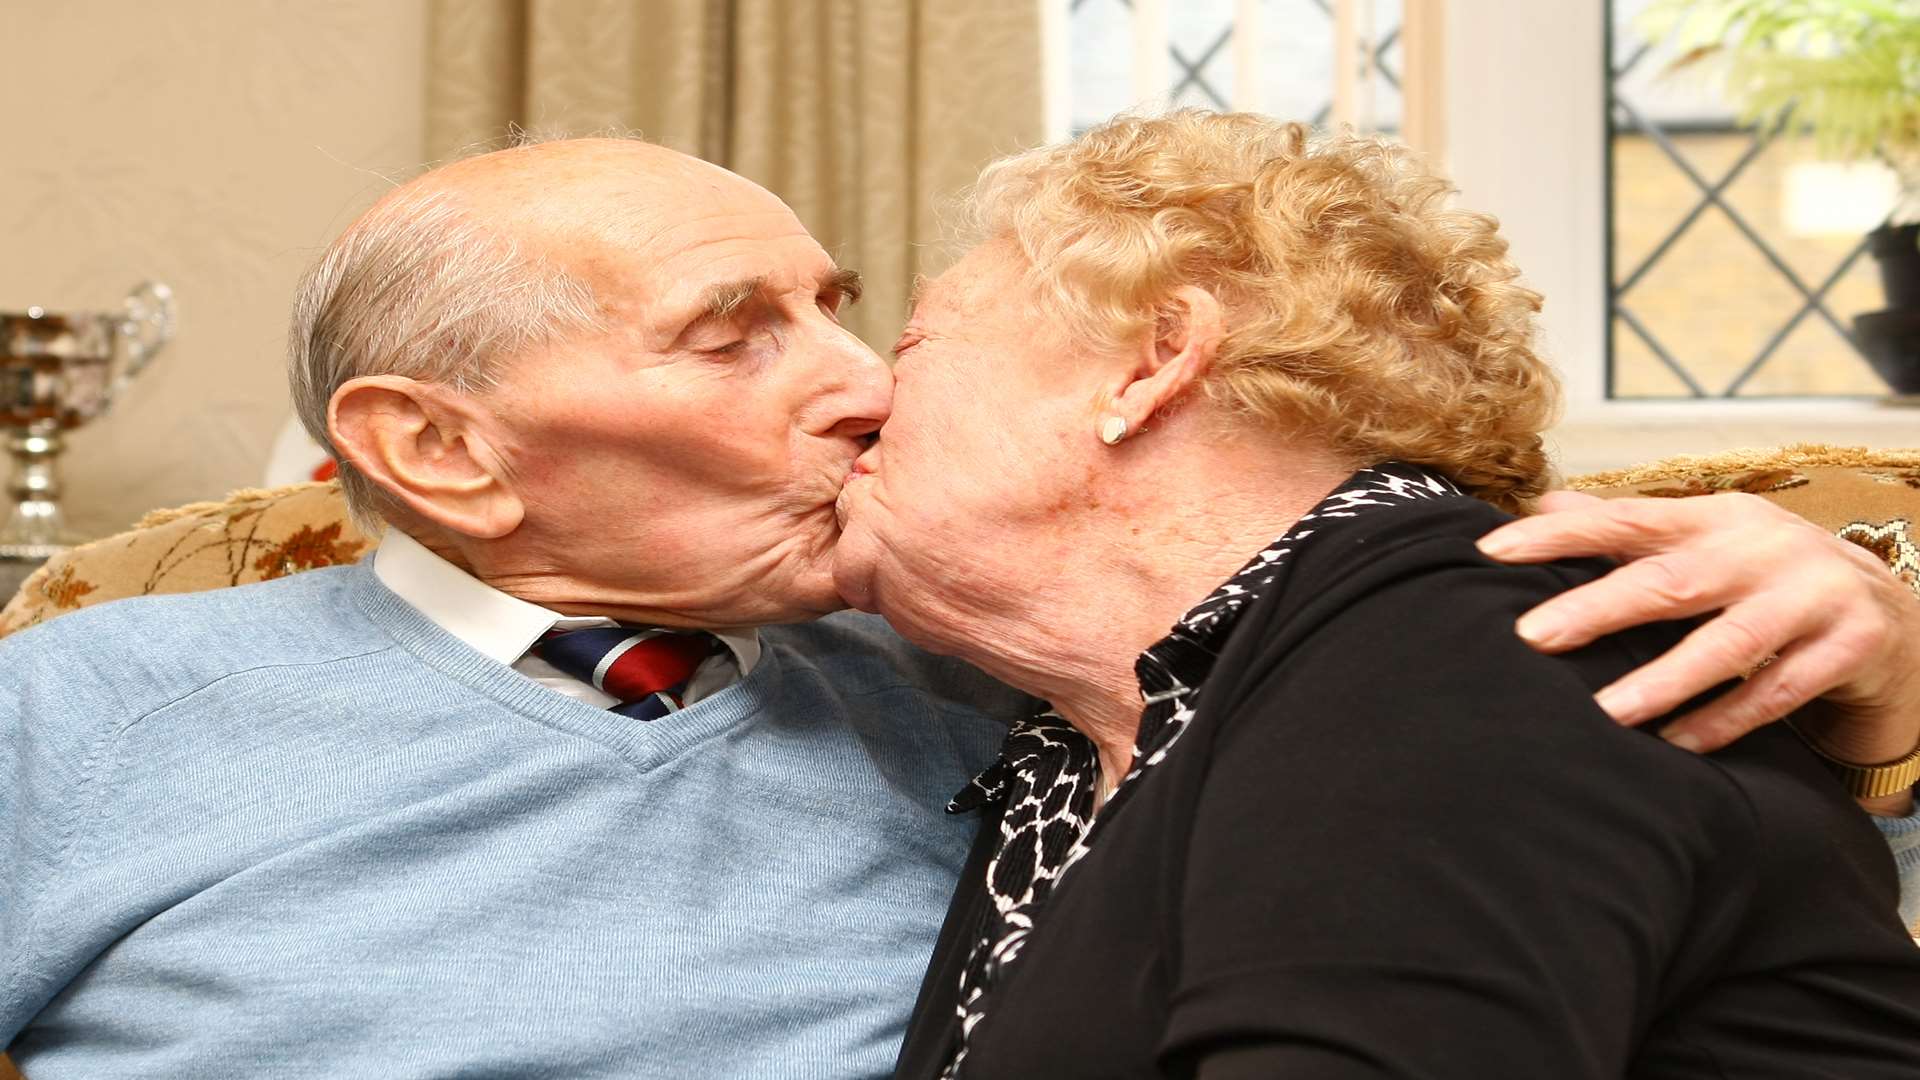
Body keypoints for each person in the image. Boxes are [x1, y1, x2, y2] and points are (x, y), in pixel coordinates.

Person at [0, 136, 1913, 1079]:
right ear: (445, 452)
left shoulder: (1016, 671)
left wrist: (1890, 652)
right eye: (737, 334)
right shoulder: (95, 707)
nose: (856, 384)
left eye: (863, 314)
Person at [832, 112, 1920, 1078]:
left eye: (913, 344)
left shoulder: (1463, 639)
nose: (866, 400)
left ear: (1153, 362)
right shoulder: (1086, 752)